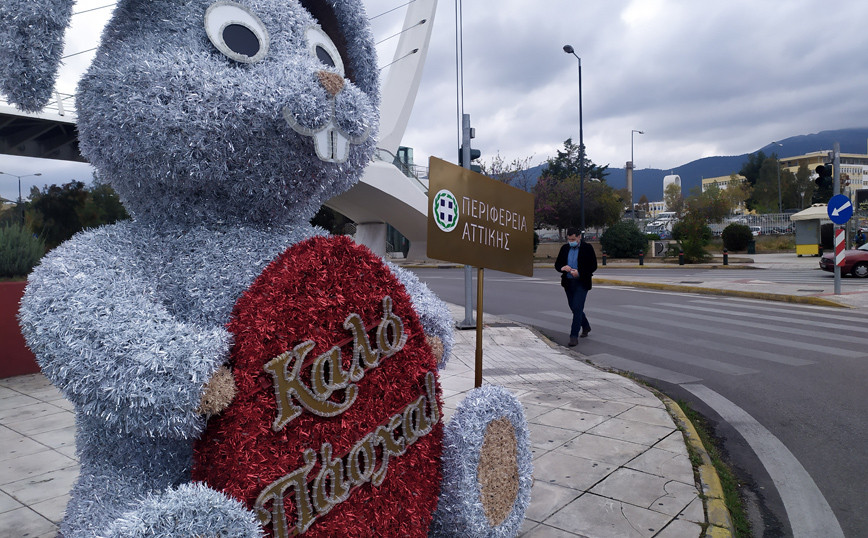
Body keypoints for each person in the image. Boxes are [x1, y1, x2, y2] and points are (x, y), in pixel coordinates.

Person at [555, 227, 598, 346]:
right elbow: (557, 264)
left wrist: (579, 273)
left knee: (577, 307)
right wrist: (562, 268)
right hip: (568, 283)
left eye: (573, 239)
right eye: (569, 239)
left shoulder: (587, 248)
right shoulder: (565, 248)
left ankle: (573, 336)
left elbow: (593, 266)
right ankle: (586, 326)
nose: (571, 241)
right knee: (573, 307)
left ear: (579, 237)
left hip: (582, 282)